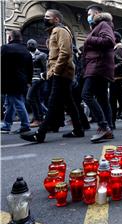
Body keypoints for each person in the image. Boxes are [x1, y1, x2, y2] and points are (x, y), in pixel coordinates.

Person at [20, 9, 84, 143]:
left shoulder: (60, 31)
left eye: (47, 17)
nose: (45, 19)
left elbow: (65, 52)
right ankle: (78, 129)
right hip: (62, 72)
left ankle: (40, 133)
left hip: (61, 73)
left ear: (56, 19)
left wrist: (55, 71)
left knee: (53, 102)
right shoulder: (54, 32)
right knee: (69, 103)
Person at [82, 4, 115, 142]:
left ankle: (103, 126)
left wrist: (89, 40)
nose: (88, 17)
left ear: (97, 13)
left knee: (86, 95)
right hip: (97, 65)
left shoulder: (103, 24)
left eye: (90, 14)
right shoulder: (98, 26)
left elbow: (109, 41)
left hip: (98, 66)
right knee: (102, 98)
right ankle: (109, 127)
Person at [1, 30, 32, 134]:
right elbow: (30, 67)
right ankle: (6, 125)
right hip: (22, 81)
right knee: (10, 102)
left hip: (9, 80)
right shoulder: (26, 50)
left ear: (10, 38)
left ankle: (25, 125)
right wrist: (29, 81)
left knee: (17, 102)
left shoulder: (5, 48)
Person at [26, 39, 48, 128]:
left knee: (30, 98)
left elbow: (45, 68)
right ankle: (40, 117)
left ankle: (38, 118)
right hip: (30, 79)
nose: (30, 45)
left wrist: (43, 78)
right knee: (36, 99)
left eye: (32, 44)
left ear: (36, 45)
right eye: (28, 43)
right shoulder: (27, 55)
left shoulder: (42, 55)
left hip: (38, 79)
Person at [110, 31, 122, 129]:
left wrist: (112, 67)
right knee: (114, 101)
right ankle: (112, 123)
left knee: (121, 101)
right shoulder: (115, 49)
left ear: (116, 38)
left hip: (119, 79)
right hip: (115, 78)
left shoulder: (119, 48)